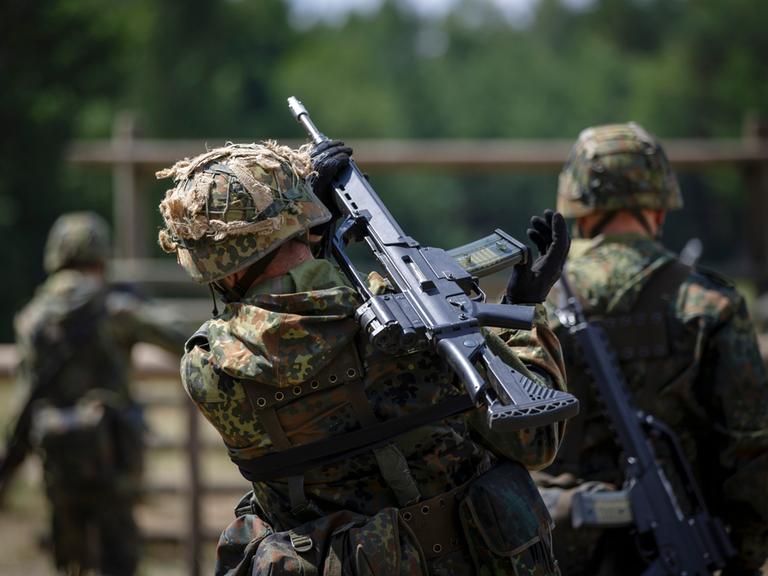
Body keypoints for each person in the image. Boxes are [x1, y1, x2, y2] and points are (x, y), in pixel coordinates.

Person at [156, 140, 572, 575]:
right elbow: (536, 439)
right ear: (305, 224)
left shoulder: (209, 368)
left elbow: (294, 330)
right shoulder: (410, 322)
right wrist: (527, 308)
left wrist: (314, 240)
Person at [536, 123, 768, 575]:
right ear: (659, 208)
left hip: (547, 553)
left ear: (576, 207)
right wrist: (744, 557)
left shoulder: (536, 302)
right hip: (679, 552)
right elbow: (751, 451)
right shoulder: (708, 304)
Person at [0, 212, 187, 576]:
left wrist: (9, 468)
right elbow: (183, 337)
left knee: (70, 565)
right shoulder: (115, 308)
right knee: (120, 565)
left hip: (59, 462)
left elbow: (24, 401)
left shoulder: (34, 317)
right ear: (102, 257)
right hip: (113, 463)